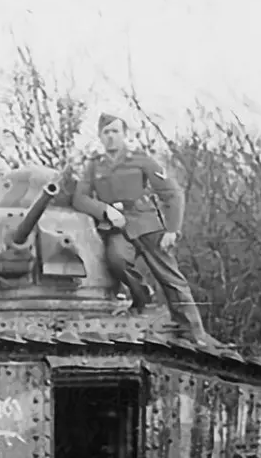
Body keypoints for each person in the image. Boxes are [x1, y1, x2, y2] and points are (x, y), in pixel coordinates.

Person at [71, 112, 224, 347]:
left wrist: (172, 229)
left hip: (146, 223)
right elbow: (80, 199)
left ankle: (193, 331)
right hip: (117, 225)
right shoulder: (95, 166)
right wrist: (105, 211)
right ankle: (141, 298)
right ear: (100, 136)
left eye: (115, 132)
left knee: (169, 276)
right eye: (106, 132)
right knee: (117, 261)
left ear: (124, 135)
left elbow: (172, 193)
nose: (111, 137)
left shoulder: (140, 160)